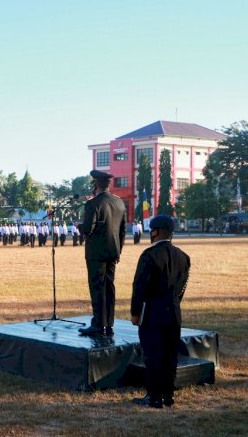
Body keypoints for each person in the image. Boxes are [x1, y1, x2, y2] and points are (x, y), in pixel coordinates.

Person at [130, 215, 191, 408]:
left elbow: (139, 286)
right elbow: (182, 287)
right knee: (170, 354)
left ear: (156, 231)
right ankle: (168, 395)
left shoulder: (149, 255)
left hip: (153, 311)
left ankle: (154, 396)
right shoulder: (183, 256)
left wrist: (135, 311)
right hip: (173, 310)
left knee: (153, 354)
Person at [78, 170, 127, 336]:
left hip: (96, 253)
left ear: (95, 185)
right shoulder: (119, 203)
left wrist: (80, 226)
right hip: (113, 251)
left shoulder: (92, 204)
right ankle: (109, 323)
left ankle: (98, 324)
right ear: (109, 185)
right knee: (109, 287)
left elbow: (88, 229)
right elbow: (122, 230)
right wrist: (118, 251)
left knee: (97, 287)